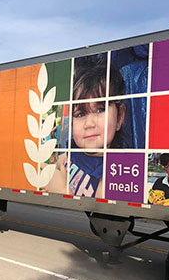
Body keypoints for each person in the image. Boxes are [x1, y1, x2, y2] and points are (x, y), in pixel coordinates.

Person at [43, 58, 126, 197]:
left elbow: (100, 209)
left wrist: (63, 193)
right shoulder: (69, 152)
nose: (89, 124)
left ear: (119, 117)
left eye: (100, 110)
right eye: (80, 114)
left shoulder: (113, 171)